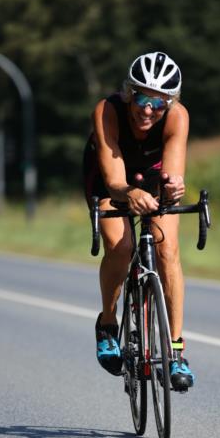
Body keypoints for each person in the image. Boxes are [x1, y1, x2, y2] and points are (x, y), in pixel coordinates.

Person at [83, 51, 195, 391]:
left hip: (152, 177)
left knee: (167, 251)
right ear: (130, 93)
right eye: (143, 99)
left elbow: (172, 173)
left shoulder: (177, 117)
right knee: (121, 246)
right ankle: (107, 324)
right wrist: (128, 193)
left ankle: (176, 351)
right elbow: (114, 181)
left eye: (159, 104)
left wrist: (173, 189)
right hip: (110, 178)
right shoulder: (108, 111)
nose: (148, 110)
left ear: (170, 104)